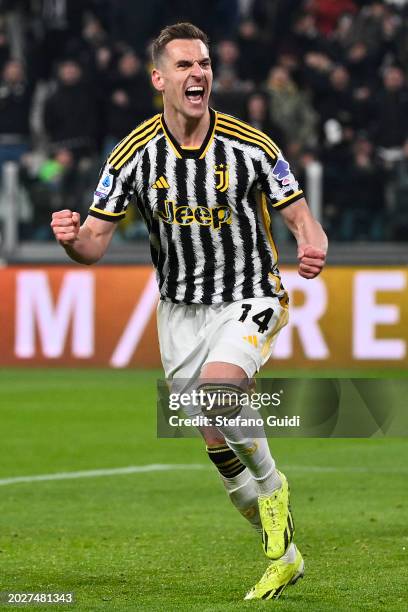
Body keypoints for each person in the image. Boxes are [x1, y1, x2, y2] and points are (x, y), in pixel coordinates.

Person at [51, 22, 327, 601]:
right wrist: (72, 240)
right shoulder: (132, 155)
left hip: (249, 293)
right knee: (213, 438)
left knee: (221, 391)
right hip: (180, 312)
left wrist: (311, 238)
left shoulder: (250, 145)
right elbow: (95, 245)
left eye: (203, 64)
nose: (197, 73)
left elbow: (297, 209)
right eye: (184, 66)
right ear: (159, 79)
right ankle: (287, 553)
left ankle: (276, 492)